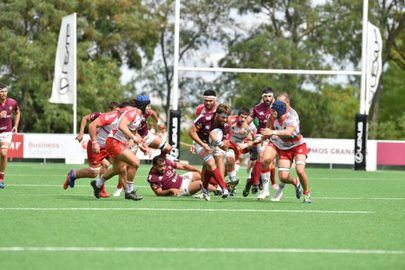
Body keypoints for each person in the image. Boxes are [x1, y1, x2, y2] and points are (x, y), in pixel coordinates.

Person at [62, 101, 121, 198]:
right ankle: (73, 174)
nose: (117, 114)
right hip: (96, 146)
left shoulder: (119, 119)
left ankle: (102, 189)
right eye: (115, 111)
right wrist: (81, 133)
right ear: (110, 110)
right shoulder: (101, 116)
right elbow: (85, 118)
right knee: (94, 173)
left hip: (108, 147)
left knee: (117, 166)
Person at [90, 102, 146, 201]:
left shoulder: (135, 117)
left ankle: (97, 184)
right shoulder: (114, 115)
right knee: (135, 162)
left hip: (114, 143)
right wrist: (94, 142)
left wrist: (141, 143)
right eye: (128, 110)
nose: (130, 112)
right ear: (119, 109)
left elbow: (133, 132)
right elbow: (91, 124)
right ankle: (129, 191)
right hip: (111, 143)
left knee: (118, 169)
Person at [260, 99, 311, 203]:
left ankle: (307, 194)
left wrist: (273, 132)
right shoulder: (272, 118)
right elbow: (267, 132)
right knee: (283, 177)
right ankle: (296, 182)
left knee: (300, 170)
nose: (271, 112)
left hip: (298, 146)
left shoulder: (290, 119)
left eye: (274, 111)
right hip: (285, 148)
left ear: (280, 111)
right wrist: (259, 139)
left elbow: (288, 132)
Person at [189, 104, 231, 201]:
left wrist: (218, 142)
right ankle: (224, 188)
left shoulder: (226, 124)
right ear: (217, 114)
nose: (225, 120)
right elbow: (191, 132)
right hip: (200, 143)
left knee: (209, 165)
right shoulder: (204, 117)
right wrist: (203, 145)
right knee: (211, 163)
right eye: (223, 117)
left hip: (214, 145)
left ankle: (204, 187)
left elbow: (225, 147)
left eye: (226, 118)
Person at [245, 87, 279, 200]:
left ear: (273, 97)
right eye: (265, 96)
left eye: (269, 96)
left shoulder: (278, 107)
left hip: (275, 136)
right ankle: (264, 189)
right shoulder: (257, 108)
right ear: (262, 97)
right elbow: (246, 122)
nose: (267, 98)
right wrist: (249, 133)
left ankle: (261, 182)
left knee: (271, 164)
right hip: (261, 136)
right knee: (262, 157)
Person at [147, 155, 216, 197]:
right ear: (154, 166)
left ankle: (219, 185)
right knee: (200, 184)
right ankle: (218, 190)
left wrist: (198, 170)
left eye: (164, 165)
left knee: (200, 174)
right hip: (181, 188)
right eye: (160, 166)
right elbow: (159, 192)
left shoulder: (167, 162)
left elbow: (183, 166)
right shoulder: (153, 178)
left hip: (182, 178)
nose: (164, 168)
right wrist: (170, 191)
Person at [0, 83, 20, 189]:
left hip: (6, 133)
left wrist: (16, 125)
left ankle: (1, 179)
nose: (4, 93)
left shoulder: (12, 102)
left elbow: (17, 112)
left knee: (3, 153)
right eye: (1, 91)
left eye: (5, 91)